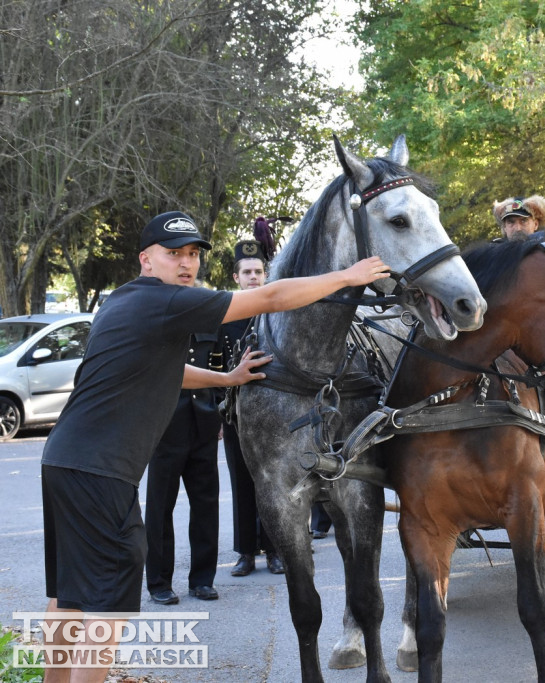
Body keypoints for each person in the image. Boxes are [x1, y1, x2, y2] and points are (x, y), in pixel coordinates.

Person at [39, 211, 390, 680]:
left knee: (67, 597)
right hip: (101, 472)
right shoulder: (168, 302)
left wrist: (226, 377)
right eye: (173, 253)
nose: (186, 264)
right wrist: (349, 275)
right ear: (146, 259)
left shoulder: (124, 302)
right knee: (108, 608)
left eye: (192, 254)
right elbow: (270, 296)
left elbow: (163, 368)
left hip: (63, 461)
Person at [144, 326, 228, 604]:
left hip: (203, 426)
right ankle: (159, 582)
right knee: (160, 507)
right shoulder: (158, 323)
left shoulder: (209, 323)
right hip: (165, 428)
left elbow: (219, 368)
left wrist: (217, 409)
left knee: (206, 505)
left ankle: (203, 580)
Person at [221, 240, 285, 577]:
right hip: (238, 413)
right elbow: (216, 365)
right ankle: (246, 552)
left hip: (275, 413)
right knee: (242, 482)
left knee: (273, 483)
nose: (253, 277)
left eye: (258, 271)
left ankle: (275, 551)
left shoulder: (278, 315)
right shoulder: (224, 314)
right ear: (236, 277)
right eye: (246, 272)